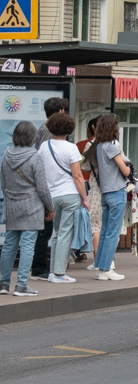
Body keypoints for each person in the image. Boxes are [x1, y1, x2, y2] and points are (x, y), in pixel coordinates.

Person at [0, 121, 55, 296]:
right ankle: (22, 285)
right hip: (32, 206)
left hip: (12, 205)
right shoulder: (35, 157)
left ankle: (3, 283)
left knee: (9, 245)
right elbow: (42, 187)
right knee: (28, 245)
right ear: (32, 138)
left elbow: (3, 184)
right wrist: (50, 207)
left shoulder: (5, 156)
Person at [38, 112, 87, 284]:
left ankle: (53, 271)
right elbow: (77, 176)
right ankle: (59, 273)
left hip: (51, 196)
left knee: (57, 233)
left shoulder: (44, 146)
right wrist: (85, 198)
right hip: (69, 194)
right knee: (65, 233)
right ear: (69, 129)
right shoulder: (71, 148)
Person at [85, 114, 131, 281]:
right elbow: (125, 170)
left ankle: (100, 267)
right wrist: (128, 168)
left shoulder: (99, 146)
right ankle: (106, 269)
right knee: (113, 233)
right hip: (116, 191)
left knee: (104, 232)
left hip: (105, 193)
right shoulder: (112, 148)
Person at [29, 97, 69, 280]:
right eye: (64, 110)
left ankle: (40, 267)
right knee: (44, 231)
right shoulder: (47, 132)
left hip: (46, 187)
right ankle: (39, 269)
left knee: (44, 230)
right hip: (48, 187)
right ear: (60, 111)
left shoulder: (42, 129)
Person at [77, 117, 102, 263]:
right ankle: (108, 259)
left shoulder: (84, 145)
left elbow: (81, 167)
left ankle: (97, 259)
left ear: (92, 128)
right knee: (105, 225)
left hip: (91, 188)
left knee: (93, 225)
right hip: (111, 190)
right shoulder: (115, 145)